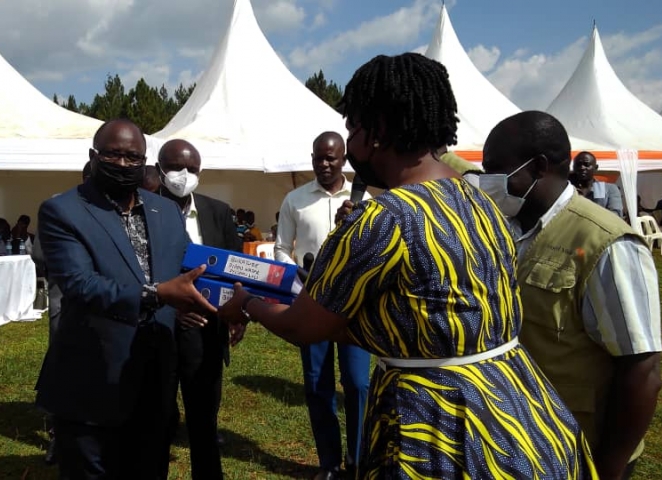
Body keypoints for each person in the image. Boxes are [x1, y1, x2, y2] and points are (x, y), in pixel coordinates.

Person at [220, 53, 597, 479]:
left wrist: (246, 304)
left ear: (377, 133)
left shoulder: (383, 219)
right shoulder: (481, 201)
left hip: (438, 431)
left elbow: (302, 326)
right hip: (521, 413)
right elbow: (433, 314)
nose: (351, 145)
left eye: (353, 130)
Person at [481, 111, 662, 480]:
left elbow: (641, 370)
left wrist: (608, 470)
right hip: (521, 438)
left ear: (539, 167)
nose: (488, 182)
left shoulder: (605, 243)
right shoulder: (508, 229)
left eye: (497, 170)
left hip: (579, 450)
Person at [35, 118, 216, 479]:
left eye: (133, 158)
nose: (122, 164)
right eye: (112, 155)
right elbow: (80, 285)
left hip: (154, 380)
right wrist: (157, 294)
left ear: (145, 162)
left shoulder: (165, 211)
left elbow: (190, 268)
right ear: (93, 156)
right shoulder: (62, 211)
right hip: (92, 381)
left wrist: (233, 299)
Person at [274, 131, 371, 479]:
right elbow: (281, 248)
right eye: (318, 157)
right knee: (317, 384)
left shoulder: (364, 199)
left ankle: (357, 461)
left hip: (352, 305)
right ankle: (329, 463)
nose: (324, 164)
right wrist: (295, 277)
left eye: (331, 157)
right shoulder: (295, 199)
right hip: (311, 301)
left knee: (358, 383)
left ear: (343, 159)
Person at [156, 139, 244, 480]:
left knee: (204, 421)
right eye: (176, 168)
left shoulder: (217, 212)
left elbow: (235, 269)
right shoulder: (143, 211)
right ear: (159, 170)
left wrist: (239, 314)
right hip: (158, 331)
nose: (184, 175)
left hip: (206, 331)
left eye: (191, 169)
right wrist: (171, 308)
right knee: (157, 421)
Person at [31, 161, 91, 465]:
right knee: (64, 364)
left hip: (106, 305)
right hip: (67, 301)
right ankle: (59, 435)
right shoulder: (58, 206)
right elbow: (39, 253)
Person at [571, 151, 624, 217]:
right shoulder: (567, 189)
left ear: (595, 168)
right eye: (578, 164)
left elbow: (616, 216)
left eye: (586, 164)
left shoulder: (608, 189)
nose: (582, 167)